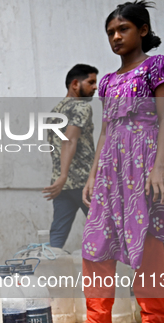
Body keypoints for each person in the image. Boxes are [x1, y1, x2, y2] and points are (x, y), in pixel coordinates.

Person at [55, 0, 164, 323]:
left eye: (123, 29)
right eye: (110, 32)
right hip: (111, 166)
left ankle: (152, 321)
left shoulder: (157, 66)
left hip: (147, 161)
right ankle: (98, 321)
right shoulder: (107, 81)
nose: (115, 36)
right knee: (96, 239)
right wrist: (93, 175)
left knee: (150, 241)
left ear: (142, 30)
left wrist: (158, 169)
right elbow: (107, 131)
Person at [43, 64, 98, 249]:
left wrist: (61, 178)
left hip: (61, 185)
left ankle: (47, 274)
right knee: (105, 228)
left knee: (57, 236)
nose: (95, 87)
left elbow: (55, 147)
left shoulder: (54, 112)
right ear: (75, 84)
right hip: (84, 183)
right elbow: (69, 140)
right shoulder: (82, 107)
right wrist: (65, 175)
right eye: (91, 82)